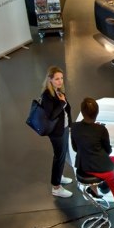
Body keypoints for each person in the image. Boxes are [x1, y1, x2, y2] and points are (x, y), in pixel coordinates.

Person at [71, 98, 114, 228]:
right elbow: (108, 150)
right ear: (97, 113)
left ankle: (95, 189)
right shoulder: (101, 130)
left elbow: (76, 148)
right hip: (104, 169)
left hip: (85, 166)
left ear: (82, 112)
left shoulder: (75, 127)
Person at [40, 66, 73, 198]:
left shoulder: (58, 91)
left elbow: (66, 109)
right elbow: (51, 116)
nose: (60, 81)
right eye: (57, 79)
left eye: (61, 78)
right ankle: (56, 187)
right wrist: (61, 104)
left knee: (62, 154)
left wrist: (69, 125)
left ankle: (59, 176)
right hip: (56, 132)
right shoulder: (47, 96)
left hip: (63, 128)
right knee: (59, 156)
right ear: (50, 80)